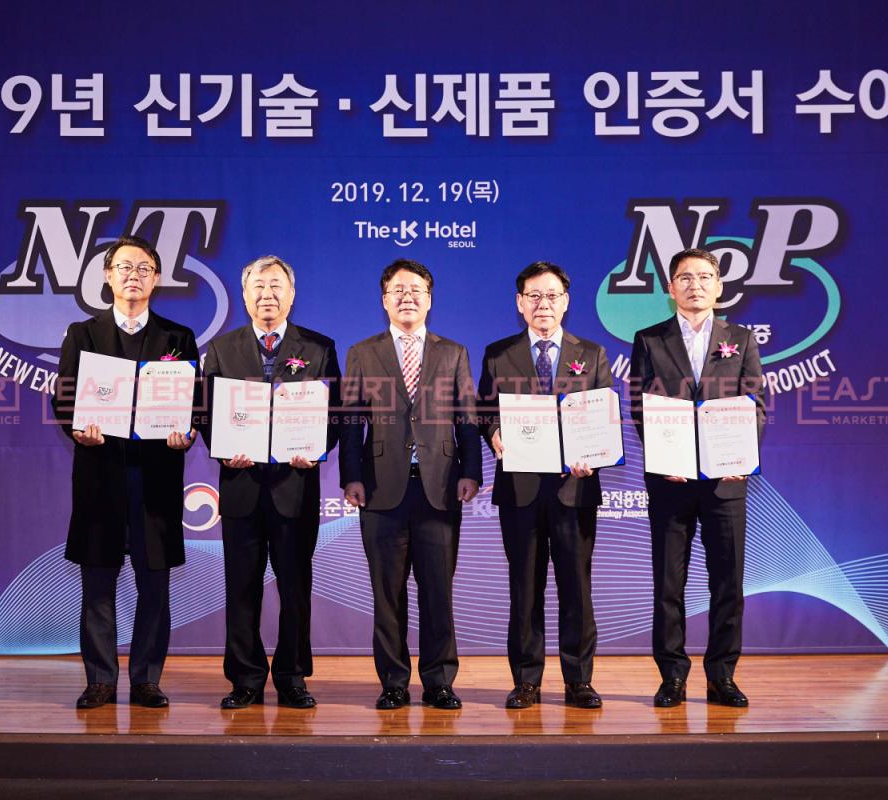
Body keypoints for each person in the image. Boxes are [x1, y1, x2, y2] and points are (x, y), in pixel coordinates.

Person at [53, 234, 199, 709]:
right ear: (107, 276)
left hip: (157, 477)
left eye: (143, 269)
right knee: (98, 583)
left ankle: (146, 680)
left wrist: (188, 432)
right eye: (124, 267)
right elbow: (64, 397)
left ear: (156, 279)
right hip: (101, 474)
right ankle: (100, 679)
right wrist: (78, 429)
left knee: (154, 584)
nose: (133, 276)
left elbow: (194, 402)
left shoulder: (178, 338)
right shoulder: (83, 334)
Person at [628, 247, 767, 708]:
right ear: (671, 288)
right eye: (685, 278)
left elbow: (756, 405)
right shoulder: (649, 339)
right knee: (669, 584)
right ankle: (672, 676)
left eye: (705, 276)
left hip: (725, 481)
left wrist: (742, 454)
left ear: (719, 286)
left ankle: (722, 675)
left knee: (727, 581)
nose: (696, 285)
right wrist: (662, 455)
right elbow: (639, 407)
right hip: (671, 481)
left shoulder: (741, 339)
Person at [340, 259, 481, 710]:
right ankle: (394, 682)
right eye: (398, 290)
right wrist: (351, 476)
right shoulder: (363, 352)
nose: (407, 297)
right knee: (388, 595)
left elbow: (468, 418)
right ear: (384, 299)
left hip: (439, 488)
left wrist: (471, 471)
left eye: (416, 289)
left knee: (438, 593)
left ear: (430, 299)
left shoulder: (453, 352)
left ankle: (439, 681)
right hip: (380, 488)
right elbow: (350, 422)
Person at [200, 255, 340, 709]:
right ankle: (245, 678)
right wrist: (223, 448)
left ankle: (293, 677)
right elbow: (206, 413)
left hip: (294, 487)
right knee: (241, 588)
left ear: (292, 294)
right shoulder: (222, 348)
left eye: (276, 285)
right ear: (244, 296)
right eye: (258, 286)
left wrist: (316, 447)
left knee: (295, 588)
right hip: (241, 486)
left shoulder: (318, 347)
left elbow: (335, 414)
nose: (267, 294)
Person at [478, 261, 612, 710]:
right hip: (520, 490)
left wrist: (593, 454)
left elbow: (603, 416)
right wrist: (493, 432)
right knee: (525, 589)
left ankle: (579, 680)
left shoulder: (591, 353)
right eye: (533, 296)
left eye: (552, 295)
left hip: (575, 490)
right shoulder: (498, 354)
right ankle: (526, 680)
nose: (543, 304)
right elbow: (483, 410)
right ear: (519, 303)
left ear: (566, 302)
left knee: (577, 589)